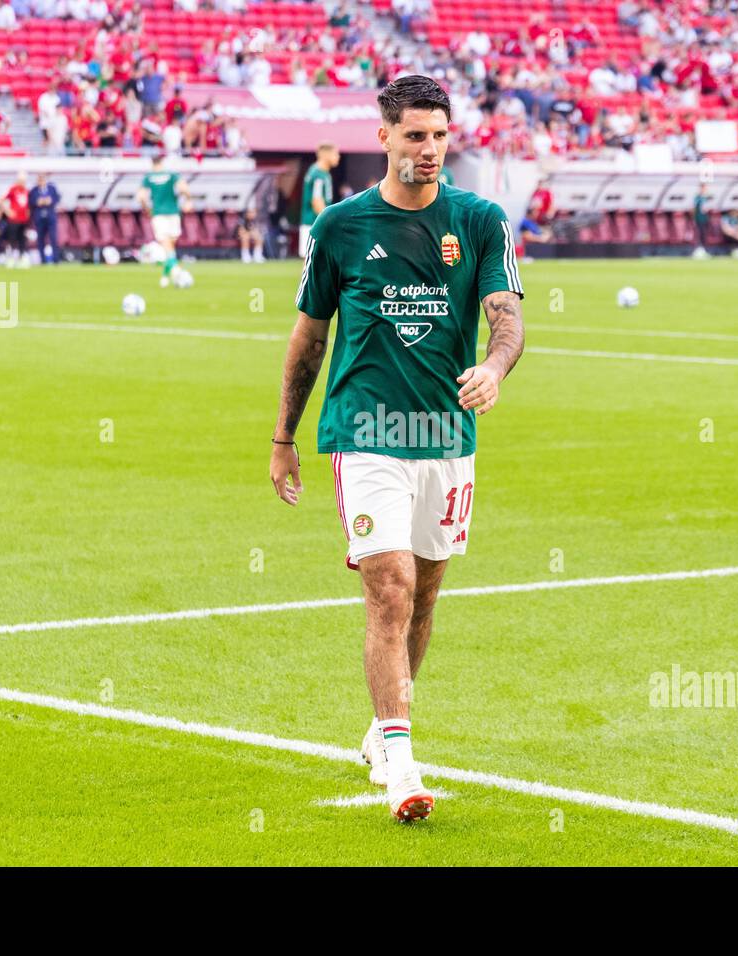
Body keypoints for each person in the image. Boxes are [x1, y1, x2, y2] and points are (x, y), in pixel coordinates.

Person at [269, 75, 526, 823]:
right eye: (414, 136)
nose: (429, 150)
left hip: (446, 437)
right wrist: (285, 437)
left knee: (425, 600)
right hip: (368, 433)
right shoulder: (341, 226)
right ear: (382, 137)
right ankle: (404, 767)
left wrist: (492, 366)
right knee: (389, 589)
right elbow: (309, 336)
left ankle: (381, 735)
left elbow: (506, 319)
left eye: (440, 136)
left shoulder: (478, 220)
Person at [139, 153, 192, 286]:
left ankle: (174, 271)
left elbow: (141, 197)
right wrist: (188, 200)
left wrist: (146, 208)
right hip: (173, 212)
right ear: (162, 161)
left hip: (158, 214)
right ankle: (168, 276)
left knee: (167, 246)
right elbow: (184, 188)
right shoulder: (171, 174)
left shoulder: (149, 177)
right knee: (170, 246)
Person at [298, 141, 339, 258]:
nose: (338, 157)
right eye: (335, 154)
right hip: (314, 223)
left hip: (314, 222)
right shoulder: (318, 174)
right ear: (325, 154)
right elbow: (317, 201)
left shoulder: (319, 172)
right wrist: (329, 222)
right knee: (313, 263)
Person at [29, 172, 61, 264]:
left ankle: (56, 259)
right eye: (39, 179)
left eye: (42, 179)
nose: (41, 181)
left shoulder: (52, 189)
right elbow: (32, 201)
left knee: (53, 238)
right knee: (41, 239)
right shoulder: (34, 190)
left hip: (50, 217)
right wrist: (39, 202)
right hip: (39, 217)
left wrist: (49, 201)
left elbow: (56, 199)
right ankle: (43, 260)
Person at [0, 171, 30, 264]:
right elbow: (1, 200)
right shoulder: (13, 189)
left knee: (22, 239)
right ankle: (11, 258)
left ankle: (21, 257)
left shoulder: (26, 190)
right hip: (14, 220)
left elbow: (28, 205)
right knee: (12, 239)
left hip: (23, 219)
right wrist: (8, 211)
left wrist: (28, 214)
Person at [692, 181, 712, 257]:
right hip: (698, 219)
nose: (704, 189)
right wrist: (694, 218)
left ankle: (704, 250)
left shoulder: (707, 198)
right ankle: (698, 250)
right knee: (698, 235)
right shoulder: (697, 197)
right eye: (703, 188)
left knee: (704, 235)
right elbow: (694, 208)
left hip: (705, 220)